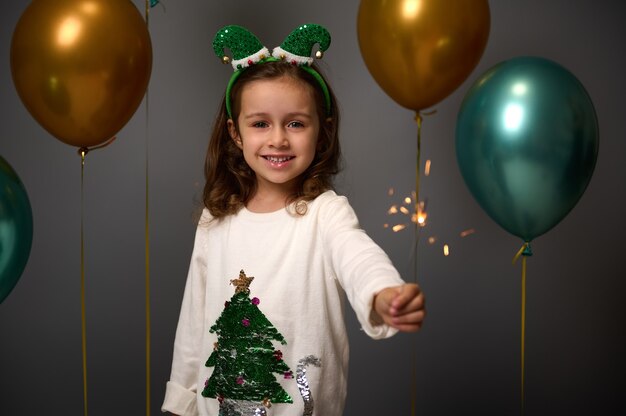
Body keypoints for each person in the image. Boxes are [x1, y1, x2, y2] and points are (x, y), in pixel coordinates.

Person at [162, 24, 425, 416]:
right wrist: (179, 403)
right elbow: (194, 323)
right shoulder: (214, 220)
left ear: (322, 132)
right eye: (260, 123)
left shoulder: (326, 214)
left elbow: (359, 257)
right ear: (236, 133)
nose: (278, 140)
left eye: (296, 123)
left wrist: (383, 293)